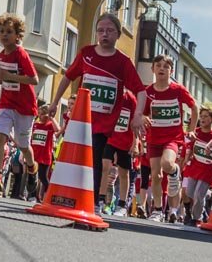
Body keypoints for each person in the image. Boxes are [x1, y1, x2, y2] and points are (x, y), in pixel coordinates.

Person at [49, 13, 146, 213]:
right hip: (81, 119)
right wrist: (55, 103)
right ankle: (64, 194)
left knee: (94, 159)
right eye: (101, 30)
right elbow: (68, 77)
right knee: (73, 157)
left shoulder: (123, 62)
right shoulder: (86, 53)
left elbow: (141, 91)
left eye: (110, 30)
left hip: (104, 123)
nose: (104, 34)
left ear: (118, 34)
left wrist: (137, 116)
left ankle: (92, 201)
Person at [0, 14, 39, 197]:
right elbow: (7, 76)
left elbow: (34, 79)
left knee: (23, 146)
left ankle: (31, 168)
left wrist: (8, 77)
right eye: (1, 31)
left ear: (17, 35)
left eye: (9, 32)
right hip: (6, 103)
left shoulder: (21, 53)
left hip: (25, 106)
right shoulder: (0, 55)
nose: (4, 35)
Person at [143, 54, 197, 222]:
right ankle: (158, 210)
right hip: (153, 138)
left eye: (166, 66)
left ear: (171, 71)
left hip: (172, 137)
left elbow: (194, 107)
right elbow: (143, 112)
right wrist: (143, 118)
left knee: (167, 165)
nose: (161, 68)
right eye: (158, 65)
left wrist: (192, 129)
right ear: (152, 69)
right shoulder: (148, 92)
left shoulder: (177, 90)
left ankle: (174, 172)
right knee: (156, 175)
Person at [180, 105, 212, 225]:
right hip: (194, 168)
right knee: (189, 192)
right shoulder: (195, 133)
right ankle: (203, 211)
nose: (202, 119)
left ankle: (197, 218)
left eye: (206, 116)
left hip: (208, 170)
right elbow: (189, 146)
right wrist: (186, 158)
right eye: (201, 116)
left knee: (198, 194)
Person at [102, 89, 137, 216]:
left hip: (125, 142)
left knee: (124, 173)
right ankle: (100, 200)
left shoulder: (131, 98)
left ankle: (122, 205)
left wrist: (135, 143)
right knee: (104, 166)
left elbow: (135, 122)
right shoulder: (110, 93)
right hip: (109, 138)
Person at [31, 104, 60, 203]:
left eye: (43, 114)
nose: (40, 116)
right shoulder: (35, 125)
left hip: (45, 156)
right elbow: (31, 138)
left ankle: (48, 196)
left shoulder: (49, 125)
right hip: (34, 155)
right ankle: (34, 196)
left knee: (43, 177)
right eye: (39, 113)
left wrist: (51, 118)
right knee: (33, 176)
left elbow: (57, 129)